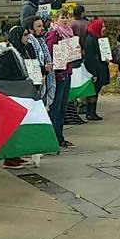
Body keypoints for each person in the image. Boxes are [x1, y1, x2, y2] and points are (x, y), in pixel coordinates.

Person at [0, 26, 34, 170]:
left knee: (17, 127)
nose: (27, 38)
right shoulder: (7, 54)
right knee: (10, 127)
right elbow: (3, 75)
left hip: (19, 91)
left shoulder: (22, 51)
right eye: (24, 36)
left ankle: (16, 155)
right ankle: (10, 158)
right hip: (10, 93)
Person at [46, 9, 75, 148]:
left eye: (66, 17)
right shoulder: (54, 34)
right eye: (62, 17)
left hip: (67, 71)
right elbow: (51, 53)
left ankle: (59, 136)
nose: (64, 20)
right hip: (59, 74)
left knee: (63, 107)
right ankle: (53, 138)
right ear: (56, 19)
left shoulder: (68, 33)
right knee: (56, 107)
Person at [25, 15, 55, 109]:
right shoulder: (29, 44)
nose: (42, 28)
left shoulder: (41, 40)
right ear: (30, 29)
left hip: (45, 79)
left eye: (42, 26)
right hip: (36, 83)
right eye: (38, 26)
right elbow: (31, 64)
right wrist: (44, 69)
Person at [84, 18, 110, 121]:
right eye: (102, 26)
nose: (104, 28)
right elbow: (90, 58)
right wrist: (93, 73)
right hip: (95, 70)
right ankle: (90, 112)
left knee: (96, 91)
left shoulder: (98, 38)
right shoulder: (91, 40)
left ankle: (92, 111)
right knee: (93, 92)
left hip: (100, 68)